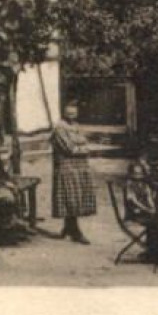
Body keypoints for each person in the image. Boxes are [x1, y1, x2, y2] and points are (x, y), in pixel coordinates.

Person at [52, 101, 97, 243]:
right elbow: (69, 149)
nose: (72, 115)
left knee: (77, 195)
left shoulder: (76, 126)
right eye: (69, 113)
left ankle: (68, 226)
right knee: (70, 196)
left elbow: (83, 141)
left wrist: (81, 144)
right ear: (64, 114)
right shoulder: (60, 128)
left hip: (79, 166)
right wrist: (84, 148)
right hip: (67, 167)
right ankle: (75, 231)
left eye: (74, 113)